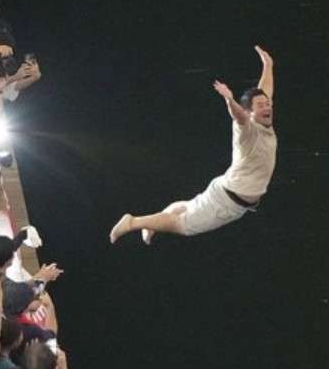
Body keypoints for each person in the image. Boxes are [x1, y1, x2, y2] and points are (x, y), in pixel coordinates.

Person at [109, 44, 276, 244]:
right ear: (250, 112)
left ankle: (152, 223)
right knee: (182, 226)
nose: (267, 107)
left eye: (268, 104)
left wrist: (268, 65)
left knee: (189, 207)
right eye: (261, 105)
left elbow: (265, 91)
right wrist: (230, 101)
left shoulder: (264, 125)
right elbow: (239, 117)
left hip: (231, 194)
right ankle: (133, 222)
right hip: (227, 202)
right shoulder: (247, 130)